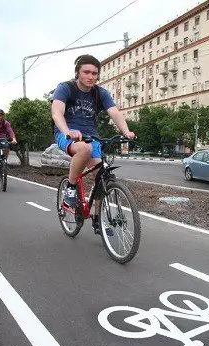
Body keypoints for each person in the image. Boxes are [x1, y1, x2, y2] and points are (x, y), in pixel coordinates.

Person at [51, 54, 135, 231]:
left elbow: (115, 113)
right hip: (66, 134)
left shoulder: (100, 93)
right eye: (86, 72)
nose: (91, 76)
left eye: (95, 73)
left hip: (92, 136)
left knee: (101, 175)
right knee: (84, 149)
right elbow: (57, 113)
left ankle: (97, 218)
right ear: (77, 73)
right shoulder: (65, 88)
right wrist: (68, 132)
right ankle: (71, 189)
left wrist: (126, 131)